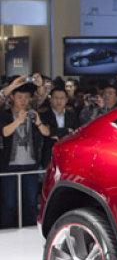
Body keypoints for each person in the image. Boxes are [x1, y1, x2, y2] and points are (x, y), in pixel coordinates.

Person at [1, 83, 50, 228]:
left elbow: (46, 132)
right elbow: (5, 132)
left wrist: (37, 121)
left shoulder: (33, 114)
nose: (23, 101)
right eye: (20, 97)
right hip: (9, 165)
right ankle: (7, 231)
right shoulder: (5, 114)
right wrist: (18, 121)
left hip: (31, 164)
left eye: (26, 97)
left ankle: (30, 229)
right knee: (9, 203)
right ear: (12, 97)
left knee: (30, 201)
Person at [39, 87, 80, 168]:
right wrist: (66, 131)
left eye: (62, 98)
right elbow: (47, 132)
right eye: (56, 98)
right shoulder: (43, 115)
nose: (59, 101)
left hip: (68, 154)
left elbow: (75, 133)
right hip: (49, 155)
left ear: (66, 100)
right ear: (50, 99)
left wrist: (55, 132)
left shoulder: (72, 116)